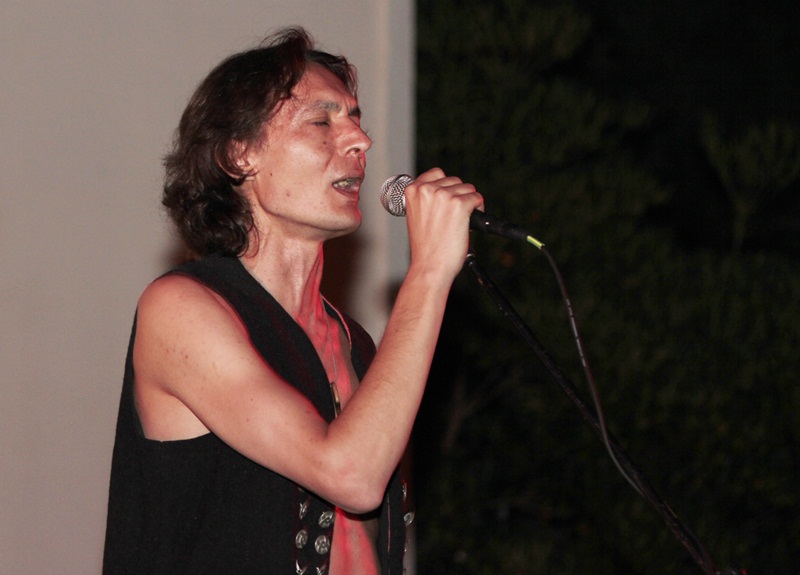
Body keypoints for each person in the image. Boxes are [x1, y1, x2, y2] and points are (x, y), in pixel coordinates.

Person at [103, 26, 482, 575]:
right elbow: (349, 475)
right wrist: (427, 273)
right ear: (239, 155)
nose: (360, 141)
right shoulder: (182, 308)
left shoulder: (356, 344)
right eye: (322, 121)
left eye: (356, 119)